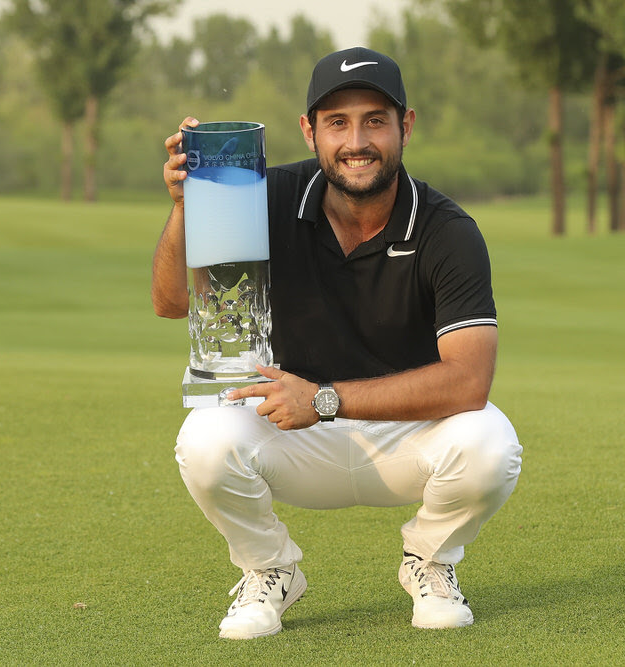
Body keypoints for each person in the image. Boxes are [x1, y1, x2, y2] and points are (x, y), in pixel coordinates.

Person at [152, 47, 522, 640]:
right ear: (309, 131)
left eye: (376, 119)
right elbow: (173, 304)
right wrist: (184, 209)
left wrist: (323, 398)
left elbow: (469, 381)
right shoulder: (261, 196)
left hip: (405, 431)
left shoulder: (447, 230)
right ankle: (268, 569)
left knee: (490, 445)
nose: (358, 140)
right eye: (337, 122)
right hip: (288, 431)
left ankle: (430, 562)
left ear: (406, 126)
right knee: (204, 439)